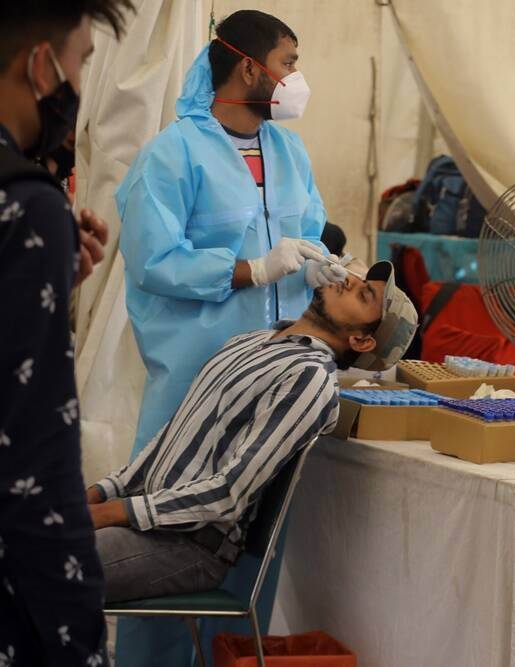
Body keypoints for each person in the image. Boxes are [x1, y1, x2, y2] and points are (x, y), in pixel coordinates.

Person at [87, 260, 417, 602]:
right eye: (359, 280)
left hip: (187, 543)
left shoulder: (309, 379)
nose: (348, 280)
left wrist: (113, 512)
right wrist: (100, 492)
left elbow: (230, 493)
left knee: (43, 563)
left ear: (361, 340)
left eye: (363, 295)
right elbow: (172, 438)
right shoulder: (250, 342)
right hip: (142, 515)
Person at [117, 9, 341, 462]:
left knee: (262, 516)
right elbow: (153, 261)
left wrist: (317, 266)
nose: (296, 78)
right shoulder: (172, 155)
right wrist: (254, 270)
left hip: (279, 376)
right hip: (198, 380)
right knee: (176, 510)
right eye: (289, 63)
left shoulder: (289, 150)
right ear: (249, 68)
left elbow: (308, 231)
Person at [0, 2, 132, 664]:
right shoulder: (30, 206)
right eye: (80, 60)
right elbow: (35, 457)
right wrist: (79, 634)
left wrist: (41, 291)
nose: (79, 83)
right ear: (41, 65)